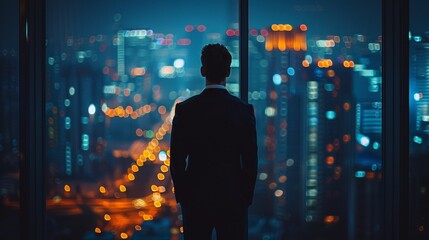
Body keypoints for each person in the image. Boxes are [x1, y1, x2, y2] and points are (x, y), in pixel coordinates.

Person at [170, 43, 258, 240]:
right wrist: (245, 198)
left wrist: (184, 196)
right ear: (228, 71)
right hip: (233, 199)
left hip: (195, 199)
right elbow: (251, 161)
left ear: (203, 71)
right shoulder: (243, 111)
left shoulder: (186, 110)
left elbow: (176, 159)